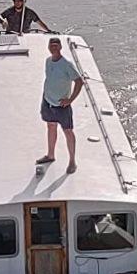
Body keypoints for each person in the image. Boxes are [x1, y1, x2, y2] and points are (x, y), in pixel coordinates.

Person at [38, 37, 83, 174]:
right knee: (51, 126)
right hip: (48, 101)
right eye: (51, 45)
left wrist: (70, 100)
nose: (53, 48)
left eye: (56, 46)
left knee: (68, 131)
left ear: (60, 47)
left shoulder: (66, 64)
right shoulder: (48, 61)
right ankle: (50, 155)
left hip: (61, 106)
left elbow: (79, 81)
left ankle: (72, 161)